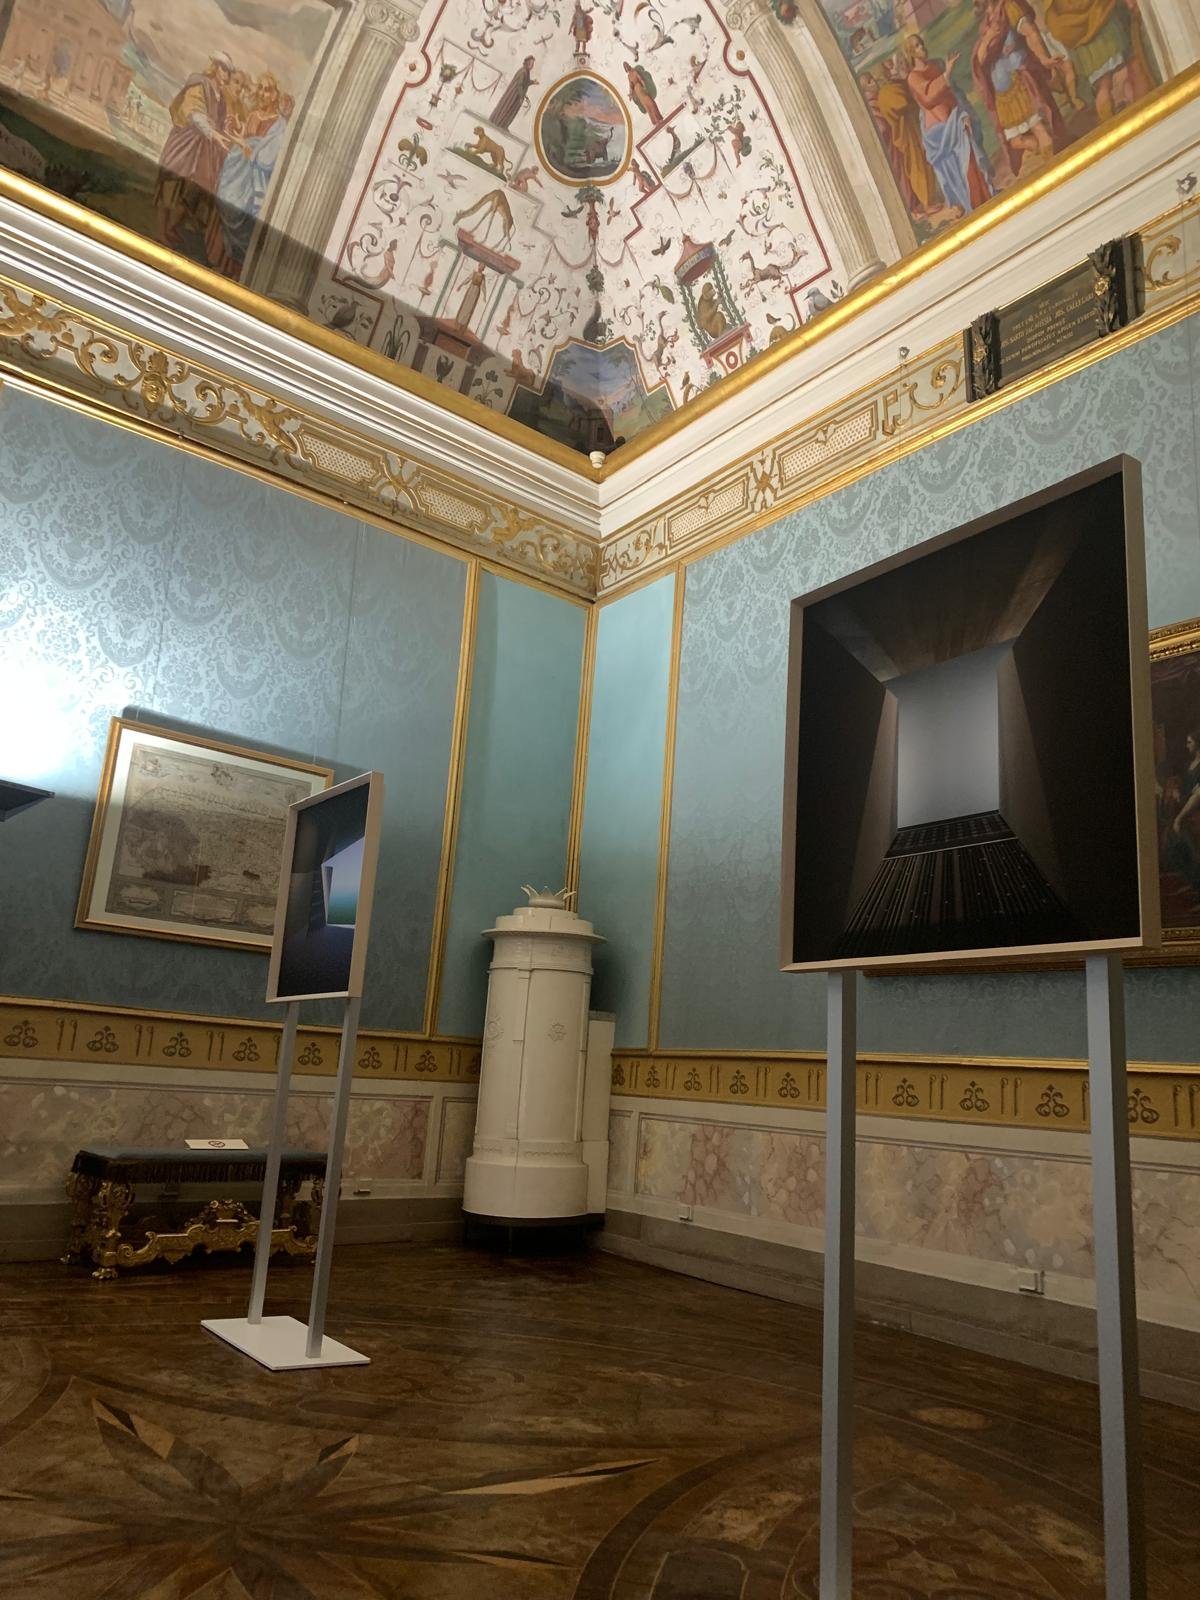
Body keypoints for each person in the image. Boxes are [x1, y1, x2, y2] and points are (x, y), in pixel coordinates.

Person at [971, 0, 1066, 180]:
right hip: (1002, 93)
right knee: (1016, 140)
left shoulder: (1009, 7)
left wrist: (1043, 58)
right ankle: (1049, 157)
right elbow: (980, 60)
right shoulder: (986, 23)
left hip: (1019, 82)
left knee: (1038, 128)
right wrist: (989, 37)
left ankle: (1055, 172)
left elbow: (1030, 32)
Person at [211, 74, 292, 275]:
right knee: (224, 204)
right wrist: (236, 131)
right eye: (261, 89)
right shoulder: (254, 115)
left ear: (275, 95)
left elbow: (267, 157)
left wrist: (247, 146)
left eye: (268, 90)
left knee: (245, 220)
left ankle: (237, 270)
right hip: (236, 174)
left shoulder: (280, 124)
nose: (263, 94)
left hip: (255, 181)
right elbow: (244, 138)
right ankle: (220, 263)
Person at [903, 35, 992, 216]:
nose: (922, 47)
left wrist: (962, 113)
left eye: (921, 43)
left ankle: (984, 197)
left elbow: (952, 91)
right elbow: (928, 98)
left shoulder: (935, 64)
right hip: (940, 130)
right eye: (917, 46)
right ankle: (973, 204)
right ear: (911, 53)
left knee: (971, 158)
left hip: (955, 118)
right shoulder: (913, 77)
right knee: (957, 168)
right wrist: (946, 74)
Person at [156, 54, 236, 249]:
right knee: (171, 184)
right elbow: (194, 112)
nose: (226, 75)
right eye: (224, 70)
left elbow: (218, 123)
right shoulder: (199, 83)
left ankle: (171, 228)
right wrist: (212, 133)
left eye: (229, 72)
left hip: (204, 150)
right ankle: (161, 231)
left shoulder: (221, 98)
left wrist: (226, 131)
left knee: (193, 191)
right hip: (186, 142)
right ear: (215, 67)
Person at [1043, 0, 1154, 121]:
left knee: (1103, 88)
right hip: (1104, 23)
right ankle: (1147, 118)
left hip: (1082, 38)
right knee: (1134, 68)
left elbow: (1053, 16)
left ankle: (1119, 125)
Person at [874, 57, 941, 219]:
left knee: (925, 163)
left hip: (912, 129)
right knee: (918, 166)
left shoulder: (892, 87)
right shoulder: (886, 92)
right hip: (907, 135)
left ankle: (931, 199)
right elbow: (902, 104)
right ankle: (926, 203)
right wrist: (916, 98)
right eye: (889, 68)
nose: (893, 70)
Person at [491, 56, 536, 129]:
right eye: (531, 64)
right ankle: (499, 123)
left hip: (517, 94)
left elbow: (525, 82)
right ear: (527, 63)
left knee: (511, 110)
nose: (532, 66)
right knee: (508, 108)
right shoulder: (523, 71)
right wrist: (521, 96)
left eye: (533, 64)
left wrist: (533, 82)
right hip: (514, 94)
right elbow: (520, 84)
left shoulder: (526, 71)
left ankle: (502, 124)